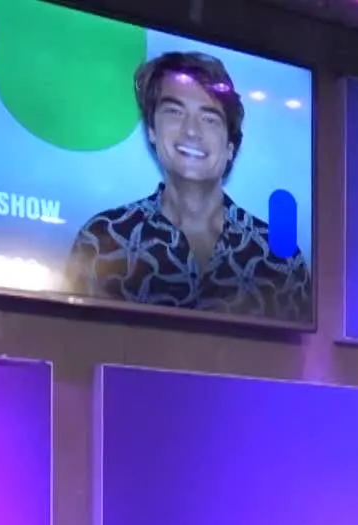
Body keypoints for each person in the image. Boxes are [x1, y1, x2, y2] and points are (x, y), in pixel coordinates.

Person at [63, 51, 311, 323]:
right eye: (175, 112)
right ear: (152, 131)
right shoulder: (102, 239)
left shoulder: (281, 257)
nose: (191, 131)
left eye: (209, 118)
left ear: (230, 147)